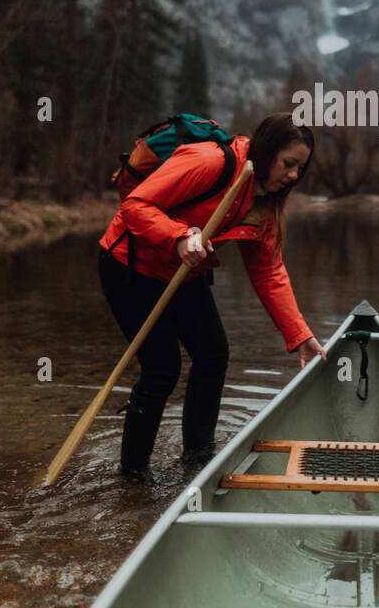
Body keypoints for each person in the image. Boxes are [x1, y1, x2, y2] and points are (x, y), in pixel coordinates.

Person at [98, 112, 326, 479]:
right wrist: (177, 238)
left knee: (212, 353)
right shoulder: (209, 162)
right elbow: (135, 205)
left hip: (184, 272)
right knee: (162, 369)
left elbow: (268, 272)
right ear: (267, 152)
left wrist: (300, 336)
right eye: (289, 164)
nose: (294, 176)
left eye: (300, 168)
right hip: (129, 265)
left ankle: (197, 459)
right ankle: (133, 476)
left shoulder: (263, 202)